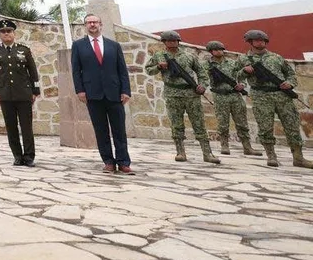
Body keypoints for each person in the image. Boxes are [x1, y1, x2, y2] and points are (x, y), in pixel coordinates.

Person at [237, 29, 313, 168]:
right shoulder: (243, 59)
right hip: (261, 96)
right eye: (257, 40)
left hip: (282, 95)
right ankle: (271, 156)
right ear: (250, 42)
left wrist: (289, 83)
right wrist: (244, 71)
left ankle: (298, 158)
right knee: (265, 127)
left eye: (263, 40)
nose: (261, 42)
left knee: (292, 125)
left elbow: (290, 74)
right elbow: (235, 77)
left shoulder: (277, 57)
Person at [71, 13, 133, 174]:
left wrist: (126, 90)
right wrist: (80, 90)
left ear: (101, 24)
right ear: (85, 26)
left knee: (119, 130)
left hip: (115, 93)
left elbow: (122, 70)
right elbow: (76, 71)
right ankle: (108, 162)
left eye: (95, 22)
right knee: (101, 130)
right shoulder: (78, 46)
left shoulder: (114, 45)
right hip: (93, 94)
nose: (92, 25)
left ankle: (123, 162)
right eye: (89, 22)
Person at [144, 30, 219, 164]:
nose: (172, 43)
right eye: (169, 41)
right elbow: (149, 70)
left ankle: (207, 153)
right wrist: (159, 67)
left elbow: (202, 72)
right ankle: (180, 152)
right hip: (173, 94)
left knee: (199, 124)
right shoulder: (159, 56)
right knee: (176, 124)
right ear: (164, 42)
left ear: (178, 42)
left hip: (191, 94)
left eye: (175, 40)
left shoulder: (189, 56)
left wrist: (202, 85)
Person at [0, 19, 40, 166]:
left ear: (14, 33)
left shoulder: (24, 50)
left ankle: (29, 157)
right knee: (11, 127)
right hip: (5, 95)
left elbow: (33, 72)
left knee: (26, 127)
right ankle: (17, 155)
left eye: (9, 31)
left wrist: (35, 91)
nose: (6, 34)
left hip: (24, 94)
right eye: (3, 32)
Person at [204, 40, 260, 157]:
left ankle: (247, 147)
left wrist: (242, 84)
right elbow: (202, 76)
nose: (219, 51)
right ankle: (224, 145)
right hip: (220, 95)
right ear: (211, 52)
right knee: (222, 122)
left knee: (242, 122)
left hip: (235, 95)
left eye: (221, 49)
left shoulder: (232, 63)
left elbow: (241, 75)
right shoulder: (207, 65)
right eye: (216, 50)